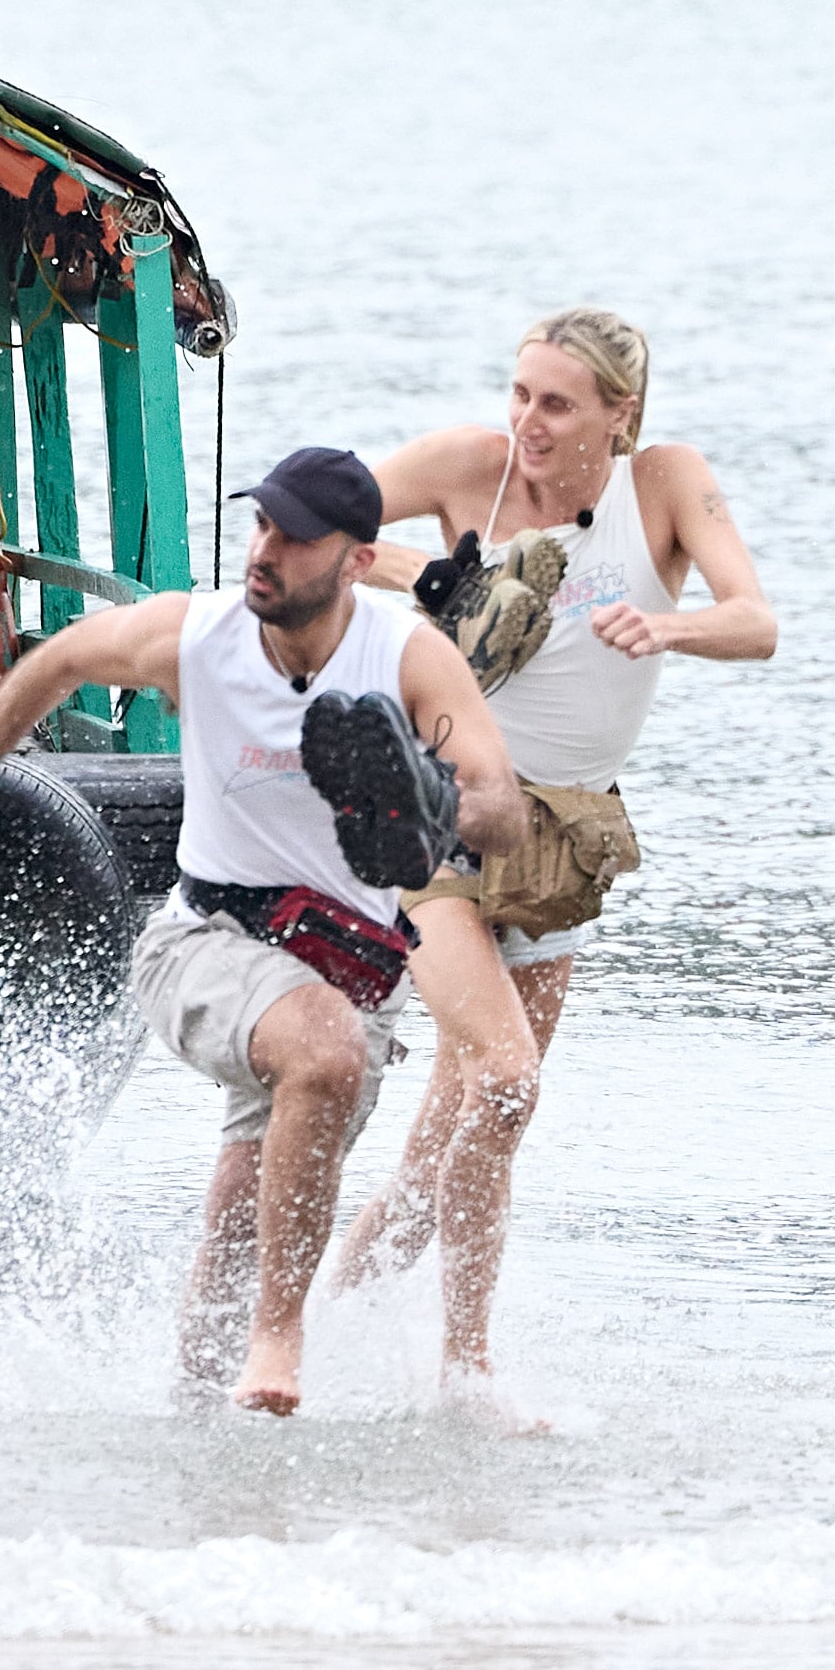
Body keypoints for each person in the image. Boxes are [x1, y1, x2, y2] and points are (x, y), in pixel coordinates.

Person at [0, 447, 527, 1415]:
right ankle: (280, 1340)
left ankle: (193, 1414)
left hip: (350, 968)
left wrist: (437, 800)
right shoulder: (194, 635)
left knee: (246, 1214)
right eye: (260, 524)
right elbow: (56, 661)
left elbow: (503, 808)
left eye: (293, 535)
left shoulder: (404, 656)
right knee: (319, 1052)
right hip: (201, 940)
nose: (264, 549)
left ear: (355, 561)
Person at [325, 309, 777, 1390]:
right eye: (519, 392)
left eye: (556, 403)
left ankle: (333, 1336)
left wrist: (668, 626)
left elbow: (753, 620)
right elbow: (311, 523)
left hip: (559, 841)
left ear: (617, 416)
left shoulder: (662, 485)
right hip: (434, 809)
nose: (526, 420)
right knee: (505, 1081)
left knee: (462, 1128)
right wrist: (412, 574)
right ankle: (463, 1368)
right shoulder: (466, 465)